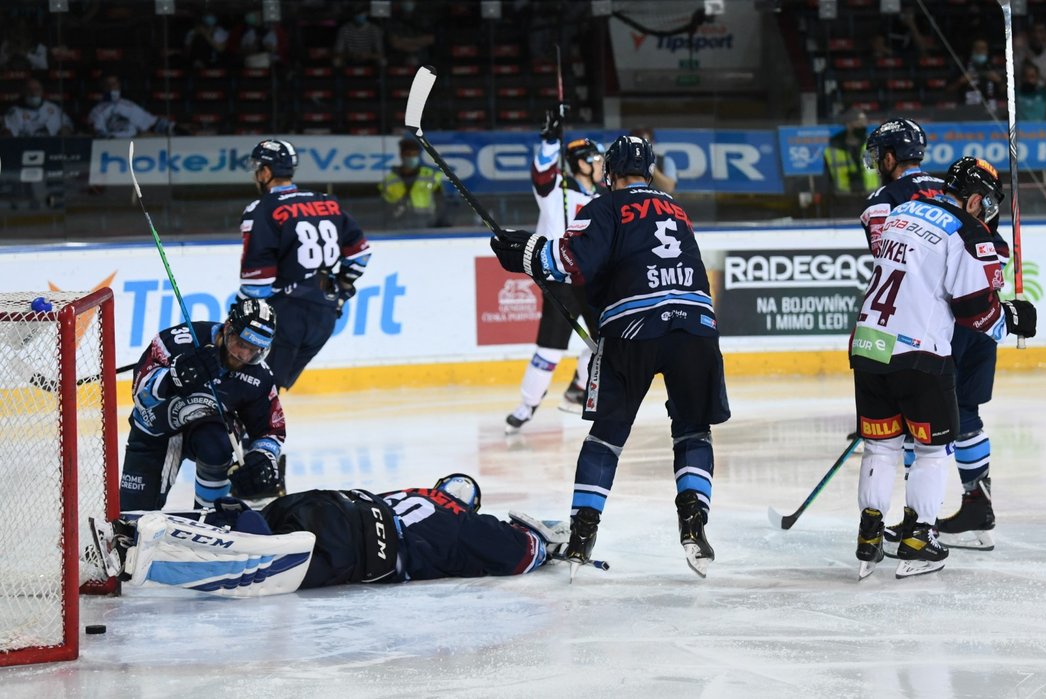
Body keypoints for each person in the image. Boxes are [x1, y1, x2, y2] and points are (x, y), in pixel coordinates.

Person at [490, 135, 731, 580]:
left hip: (634, 330)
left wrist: (523, 252)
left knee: (606, 438)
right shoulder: (677, 210)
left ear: (610, 172)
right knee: (693, 430)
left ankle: (582, 535)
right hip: (696, 329)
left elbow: (570, 262)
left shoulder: (604, 206)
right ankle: (695, 525)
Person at [850, 156, 1036, 581]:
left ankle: (869, 537)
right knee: (933, 452)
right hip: (921, 355)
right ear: (973, 200)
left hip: (869, 345)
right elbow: (973, 309)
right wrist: (1009, 318)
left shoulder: (900, 214)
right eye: (985, 203)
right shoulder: (968, 232)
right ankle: (919, 540)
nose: (986, 212)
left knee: (881, 448)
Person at [90, 474, 568, 597]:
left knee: (263, 523)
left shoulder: (414, 491)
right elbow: (520, 554)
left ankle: (133, 528)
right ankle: (141, 562)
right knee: (260, 563)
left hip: (326, 501)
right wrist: (549, 544)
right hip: (357, 546)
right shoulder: (467, 523)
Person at [120, 298, 286, 512]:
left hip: (205, 434)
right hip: (153, 431)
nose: (243, 355)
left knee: (216, 443)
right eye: (242, 344)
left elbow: (270, 431)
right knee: (131, 516)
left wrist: (262, 457)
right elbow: (140, 394)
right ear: (228, 328)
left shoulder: (259, 377)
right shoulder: (176, 341)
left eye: (255, 350)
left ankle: (210, 515)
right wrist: (172, 379)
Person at [238, 139, 371, 391]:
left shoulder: (261, 210)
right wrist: (340, 290)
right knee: (268, 389)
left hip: (286, 315)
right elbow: (360, 255)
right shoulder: (327, 202)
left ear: (266, 172)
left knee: (250, 386)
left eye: (258, 169)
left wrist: (241, 310)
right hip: (325, 316)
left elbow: (258, 282)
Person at [504, 108, 603, 433]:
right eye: (598, 160)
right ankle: (527, 404)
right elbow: (542, 173)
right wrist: (549, 141)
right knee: (549, 349)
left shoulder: (605, 198)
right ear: (583, 163)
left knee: (607, 341)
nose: (603, 166)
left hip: (592, 280)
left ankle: (578, 389)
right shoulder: (557, 192)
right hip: (559, 280)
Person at [378, 137, 449, 228]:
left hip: (427, 225)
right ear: (401, 155)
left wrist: (441, 223)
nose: (411, 158)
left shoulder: (431, 176)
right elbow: (384, 209)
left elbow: (441, 204)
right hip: (399, 227)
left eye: (414, 155)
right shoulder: (389, 181)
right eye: (408, 154)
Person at [88, 75, 175, 139]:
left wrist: (173, 128)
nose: (111, 87)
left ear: (119, 85)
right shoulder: (97, 110)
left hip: (133, 145)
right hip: (111, 147)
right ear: (103, 87)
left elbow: (151, 123)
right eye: (108, 85)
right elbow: (98, 133)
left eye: (114, 84)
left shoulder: (129, 106)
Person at [824, 108, 879, 199]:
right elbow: (826, 179)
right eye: (859, 122)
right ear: (849, 125)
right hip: (843, 199)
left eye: (865, 121)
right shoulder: (833, 149)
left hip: (871, 197)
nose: (864, 125)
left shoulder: (871, 145)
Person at [948, 38, 1004, 115]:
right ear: (972, 50)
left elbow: (1005, 92)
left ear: (987, 51)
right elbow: (948, 91)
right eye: (977, 49)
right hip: (967, 111)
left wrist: (999, 81)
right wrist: (960, 82)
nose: (980, 51)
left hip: (991, 113)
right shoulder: (961, 67)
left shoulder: (993, 66)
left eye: (983, 48)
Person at [3, 78, 73, 137]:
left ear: (42, 92)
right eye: (29, 90)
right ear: (23, 92)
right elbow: (7, 135)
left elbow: (67, 125)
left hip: (52, 148)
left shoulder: (54, 108)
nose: (33, 93)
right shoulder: (15, 111)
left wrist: (65, 130)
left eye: (37, 89)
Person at [333, 3, 385, 68]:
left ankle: (380, 77)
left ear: (366, 13)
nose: (359, 16)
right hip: (350, 59)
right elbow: (338, 53)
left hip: (370, 60)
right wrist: (352, 55)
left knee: (383, 61)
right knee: (336, 61)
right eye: (356, 13)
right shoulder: (344, 29)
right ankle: (339, 77)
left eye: (361, 13)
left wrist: (368, 55)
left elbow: (380, 53)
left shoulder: (375, 30)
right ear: (352, 15)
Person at [629, 126, 677, 194]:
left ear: (652, 143)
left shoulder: (665, 161)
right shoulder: (624, 162)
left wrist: (650, 163)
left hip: (658, 202)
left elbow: (669, 189)